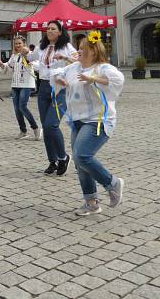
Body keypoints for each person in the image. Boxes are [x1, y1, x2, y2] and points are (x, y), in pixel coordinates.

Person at [52, 32, 125, 216]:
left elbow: (117, 80)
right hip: (77, 120)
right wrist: (59, 79)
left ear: (92, 51)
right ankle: (91, 203)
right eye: (79, 48)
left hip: (98, 120)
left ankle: (112, 183)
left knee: (82, 155)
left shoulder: (102, 68)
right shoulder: (74, 67)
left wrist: (93, 79)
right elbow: (57, 72)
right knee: (79, 162)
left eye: (83, 48)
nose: (79, 51)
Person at [26, 20, 77, 176]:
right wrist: (24, 52)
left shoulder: (67, 47)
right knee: (45, 126)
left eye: (53, 29)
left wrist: (65, 58)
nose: (49, 31)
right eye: (48, 28)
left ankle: (63, 157)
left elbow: (78, 62)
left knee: (51, 125)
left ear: (60, 32)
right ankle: (52, 161)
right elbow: (30, 57)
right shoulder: (42, 47)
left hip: (60, 88)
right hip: (43, 87)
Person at [0, 35, 41, 140]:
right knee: (17, 109)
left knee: (22, 106)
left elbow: (38, 66)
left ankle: (35, 128)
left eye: (19, 43)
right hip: (15, 84)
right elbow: (8, 66)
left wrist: (28, 60)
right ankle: (23, 131)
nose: (17, 45)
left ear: (24, 44)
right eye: (16, 44)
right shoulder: (14, 55)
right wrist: (3, 65)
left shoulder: (30, 54)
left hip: (26, 84)